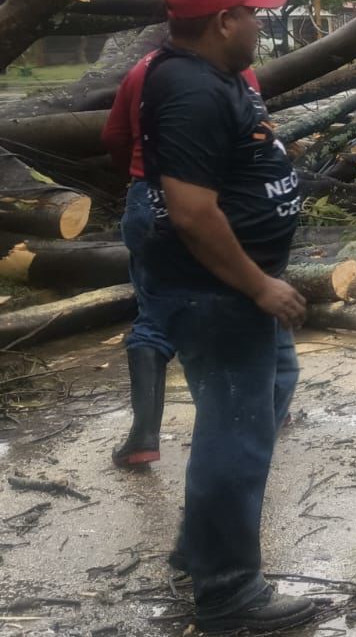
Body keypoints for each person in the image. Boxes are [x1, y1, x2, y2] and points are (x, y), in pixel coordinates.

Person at [136, 0, 316, 632]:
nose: (261, 23)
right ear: (222, 21)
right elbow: (189, 209)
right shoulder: (189, 89)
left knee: (260, 403)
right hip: (215, 292)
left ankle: (200, 545)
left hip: (229, 290)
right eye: (253, 13)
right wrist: (259, 282)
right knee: (234, 438)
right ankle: (229, 593)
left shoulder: (213, 78)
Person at [102, 51, 259, 469]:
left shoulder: (143, 69)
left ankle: (144, 437)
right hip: (217, 202)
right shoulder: (237, 71)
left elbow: (114, 137)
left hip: (152, 201)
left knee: (154, 316)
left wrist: (139, 176)